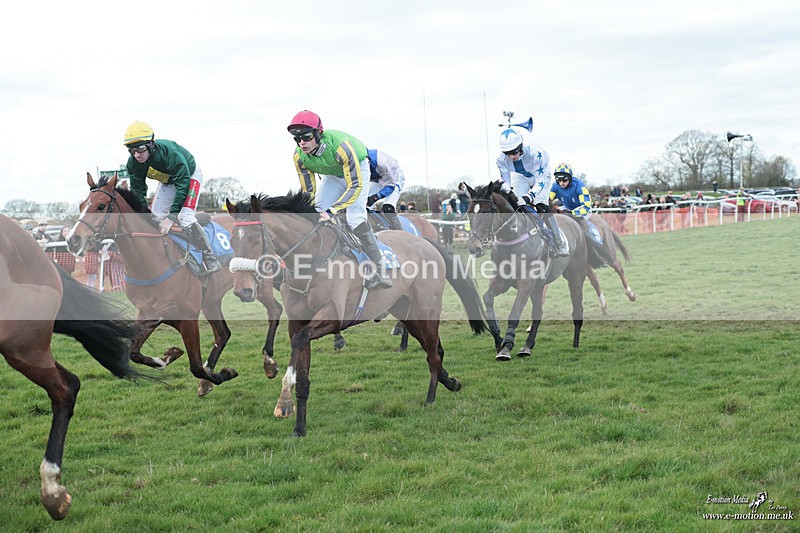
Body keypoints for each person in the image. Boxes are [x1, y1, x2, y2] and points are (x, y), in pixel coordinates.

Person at [288, 110, 392, 289]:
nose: (301, 143)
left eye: (306, 137)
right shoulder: (299, 156)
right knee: (317, 211)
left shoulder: (341, 147)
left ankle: (380, 269)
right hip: (333, 176)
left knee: (355, 218)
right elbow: (308, 191)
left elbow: (355, 186)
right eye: (296, 139)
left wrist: (332, 211)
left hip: (357, 171)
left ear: (318, 134)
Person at [123, 121, 221, 275]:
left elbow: (182, 184)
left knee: (185, 216)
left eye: (141, 149)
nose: (137, 155)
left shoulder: (169, 153)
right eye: (132, 151)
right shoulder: (133, 164)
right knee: (155, 218)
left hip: (188, 176)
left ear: (150, 145)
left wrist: (172, 217)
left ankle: (210, 258)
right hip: (168, 181)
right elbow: (138, 191)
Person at [496, 127, 567, 256]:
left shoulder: (535, 151)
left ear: (521, 147)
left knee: (541, 207)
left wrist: (530, 196)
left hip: (540, 174)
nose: (512, 156)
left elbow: (540, 179)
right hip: (520, 176)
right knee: (517, 205)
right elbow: (506, 183)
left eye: (514, 152)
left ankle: (559, 241)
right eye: (508, 153)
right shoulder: (501, 160)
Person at [365, 149, 406, 231]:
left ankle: (401, 233)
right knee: (363, 202)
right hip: (378, 178)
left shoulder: (382, 164)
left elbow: (390, 186)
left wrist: (376, 197)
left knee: (388, 208)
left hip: (394, 178)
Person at [549, 163, 592, 237]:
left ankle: (591, 241)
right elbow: (547, 200)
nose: (561, 182)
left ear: (569, 178)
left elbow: (586, 207)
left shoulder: (579, 186)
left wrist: (571, 213)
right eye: (559, 179)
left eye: (564, 179)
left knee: (581, 222)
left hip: (582, 209)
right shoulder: (555, 186)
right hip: (567, 208)